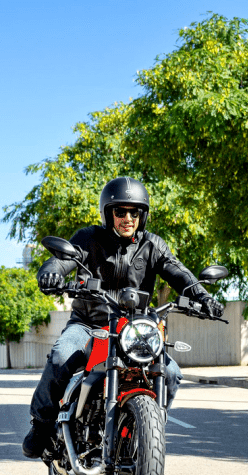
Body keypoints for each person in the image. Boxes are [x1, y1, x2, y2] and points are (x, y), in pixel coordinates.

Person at [22, 176, 223, 458]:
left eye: (135, 212)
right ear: (108, 213)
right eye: (120, 211)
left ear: (142, 215)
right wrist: (50, 273)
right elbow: (62, 260)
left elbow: (179, 273)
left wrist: (203, 297)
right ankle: (42, 425)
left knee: (171, 373)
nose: (128, 218)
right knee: (61, 356)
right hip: (89, 324)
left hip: (135, 329)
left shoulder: (153, 245)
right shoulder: (88, 239)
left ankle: (148, 431)